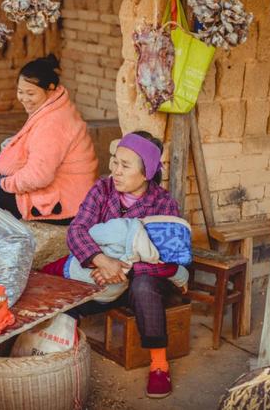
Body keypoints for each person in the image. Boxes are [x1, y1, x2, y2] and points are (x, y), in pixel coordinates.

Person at [43, 131, 181, 398]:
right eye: (115, 162)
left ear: (146, 174)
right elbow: (77, 230)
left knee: (144, 286)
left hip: (138, 281)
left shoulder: (164, 204)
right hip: (102, 275)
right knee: (63, 283)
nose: (116, 171)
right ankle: (61, 352)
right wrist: (102, 261)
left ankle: (159, 365)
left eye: (125, 166)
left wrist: (121, 269)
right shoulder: (102, 189)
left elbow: (168, 259)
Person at [0, 54, 98, 225]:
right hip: (70, 193)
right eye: (20, 92)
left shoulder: (53, 123)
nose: (24, 99)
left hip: (67, 203)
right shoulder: (53, 107)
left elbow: (38, 176)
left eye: (31, 93)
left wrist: (5, 183)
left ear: (50, 88)